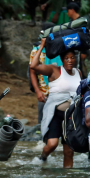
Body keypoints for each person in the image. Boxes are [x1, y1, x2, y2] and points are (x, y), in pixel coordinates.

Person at [30, 38, 82, 168]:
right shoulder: (54, 70)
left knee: (69, 151)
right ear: (62, 59)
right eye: (66, 58)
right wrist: (41, 46)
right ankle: (43, 157)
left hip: (71, 117)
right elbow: (34, 66)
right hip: (56, 115)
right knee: (52, 144)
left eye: (72, 58)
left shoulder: (78, 73)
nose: (70, 61)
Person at [29, 22, 63, 124]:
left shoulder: (60, 49)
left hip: (59, 91)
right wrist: (38, 92)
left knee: (58, 119)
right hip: (44, 91)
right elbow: (32, 72)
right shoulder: (36, 51)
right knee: (43, 120)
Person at [67, 2, 89, 78]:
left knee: (81, 71)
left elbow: (85, 37)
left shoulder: (81, 22)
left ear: (72, 10)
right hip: (73, 50)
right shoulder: (70, 22)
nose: (67, 13)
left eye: (68, 11)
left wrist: (84, 52)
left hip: (80, 50)